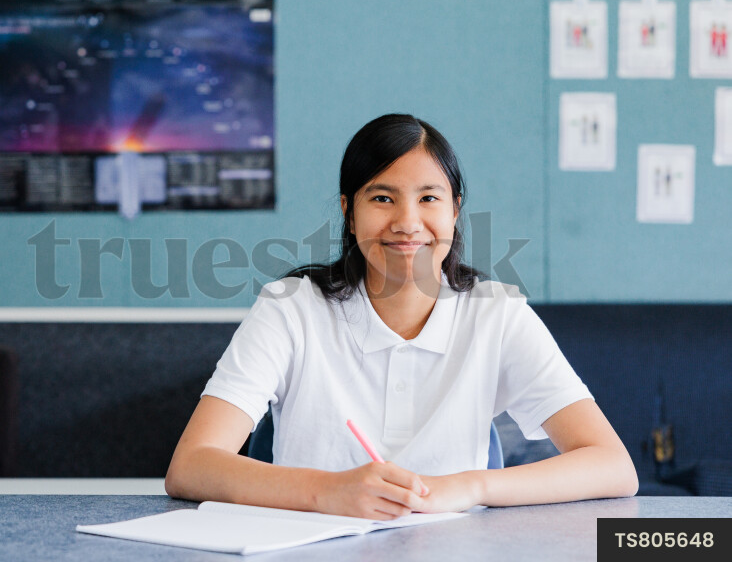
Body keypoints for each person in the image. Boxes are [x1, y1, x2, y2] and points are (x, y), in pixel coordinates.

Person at [165, 113, 638, 519]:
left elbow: (613, 466)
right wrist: (328, 491)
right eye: (382, 198)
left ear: (455, 211)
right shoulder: (291, 307)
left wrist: (470, 487)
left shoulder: (498, 314)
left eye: (429, 199)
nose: (407, 222)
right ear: (350, 213)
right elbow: (191, 464)